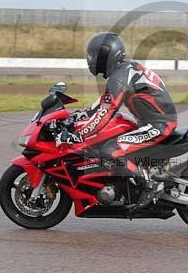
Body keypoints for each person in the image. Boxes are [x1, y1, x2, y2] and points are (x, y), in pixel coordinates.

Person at [57, 32, 178, 208]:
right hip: (155, 122)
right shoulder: (125, 70)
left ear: (105, 55)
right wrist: (79, 115)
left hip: (159, 126)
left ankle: (148, 186)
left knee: (110, 150)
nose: (90, 59)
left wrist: (77, 135)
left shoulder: (119, 78)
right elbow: (104, 104)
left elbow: (105, 114)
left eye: (93, 55)